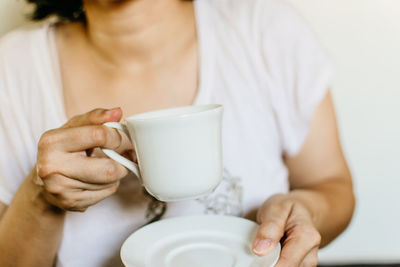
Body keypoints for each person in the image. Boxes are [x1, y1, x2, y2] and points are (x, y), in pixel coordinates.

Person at [0, 0, 355, 266]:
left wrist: (303, 211)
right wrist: (41, 198)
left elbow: (333, 187)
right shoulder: (13, 69)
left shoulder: (266, 31)